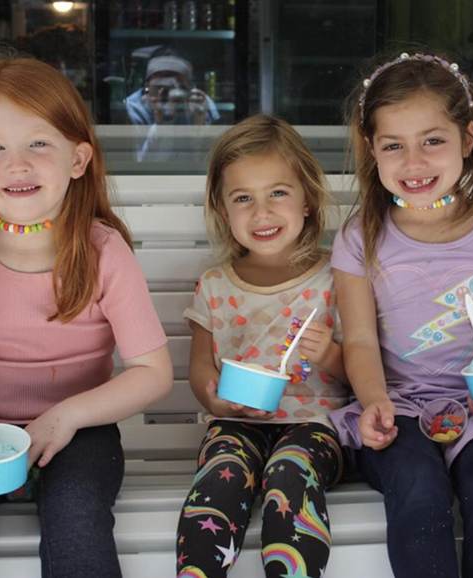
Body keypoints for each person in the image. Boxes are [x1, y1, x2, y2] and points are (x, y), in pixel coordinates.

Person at [0, 56, 174, 578]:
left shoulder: (103, 251)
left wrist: (65, 417)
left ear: (78, 158)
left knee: (76, 517)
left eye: (38, 143)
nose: (16, 164)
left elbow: (152, 372)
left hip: (81, 431)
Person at [329, 52, 473, 578]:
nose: (414, 163)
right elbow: (359, 341)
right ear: (371, 150)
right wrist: (375, 400)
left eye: (433, 140)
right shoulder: (359, 239)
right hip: (399, 411)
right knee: (416, 486)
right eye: (394, 145)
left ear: (468, 139)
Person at [175, 115, 350, 578]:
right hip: (236, 423)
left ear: (308, 200)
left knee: (289, 473)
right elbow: (200, 370)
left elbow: (367, 369)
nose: (262, 212)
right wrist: (213, 397)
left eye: (278, 192)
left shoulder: (337, 278)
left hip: (315, 426)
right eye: (243, 198)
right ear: (223, 209)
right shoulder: (215, 285)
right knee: (218, 478)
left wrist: (330, 355)